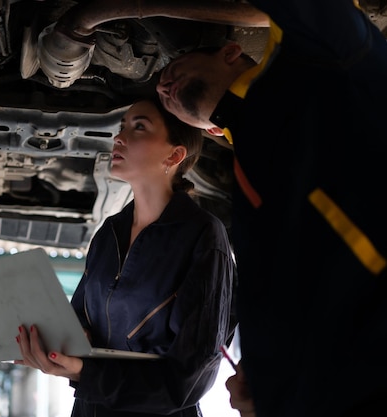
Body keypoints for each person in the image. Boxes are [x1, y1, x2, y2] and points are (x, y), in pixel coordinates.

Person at [156, 1, 387, 417]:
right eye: (162, 86)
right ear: (208, 131)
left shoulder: (312, 61)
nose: (162, 85)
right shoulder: (316, 61)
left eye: (170, 73)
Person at [15, 96, 236, 417]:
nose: (119, 137)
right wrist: (61, 344)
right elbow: (81, 318)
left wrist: (83, 373)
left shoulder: (203, 234)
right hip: (91, 407)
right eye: (121, 128)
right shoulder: (109, 232)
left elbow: (190, 377)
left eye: (139, 127)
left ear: (174, 155)